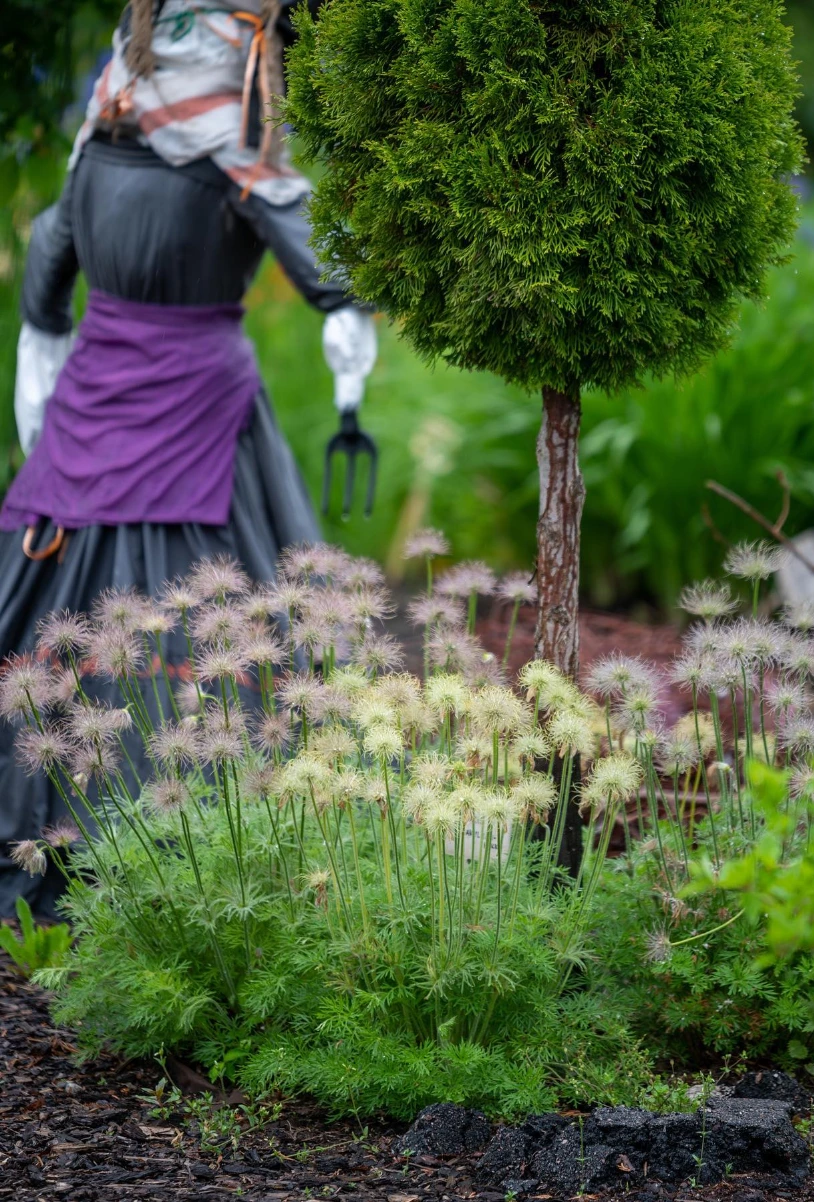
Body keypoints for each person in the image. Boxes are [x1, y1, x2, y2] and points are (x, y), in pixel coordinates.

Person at [0, 0, 376, 917]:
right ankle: (184, 846)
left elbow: (52, 252)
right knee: (222, 617)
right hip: (199, 404)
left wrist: (41, 345)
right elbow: (324, 265)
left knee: (61, 604)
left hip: (93, 404)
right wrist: (347, 346)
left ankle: (56, 828)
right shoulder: (234, 157)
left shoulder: (97, 147)